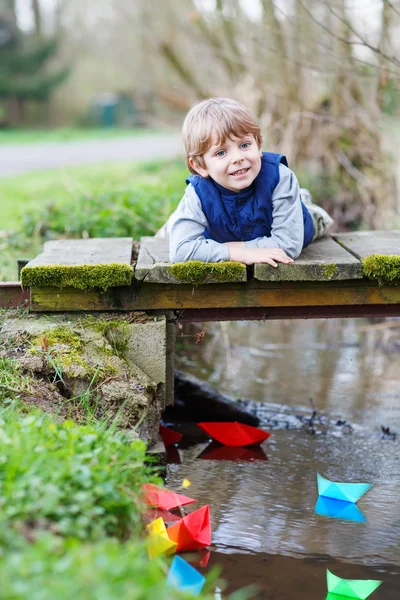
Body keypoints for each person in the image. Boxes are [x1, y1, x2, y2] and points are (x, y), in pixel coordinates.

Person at [161, 97, 333, 267]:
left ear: (259, 146)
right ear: (200, 165)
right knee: (175, 230)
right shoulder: (197, 192)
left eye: (244, 145)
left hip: (296, 223)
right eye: (221, 153)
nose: (237, 158)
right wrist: (239, 253)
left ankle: (303, 201)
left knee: (310, 218)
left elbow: (288, 245)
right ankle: (173, 224)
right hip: (224, 232)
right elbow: (181, 250)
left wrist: (230, 248)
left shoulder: (280, 177)